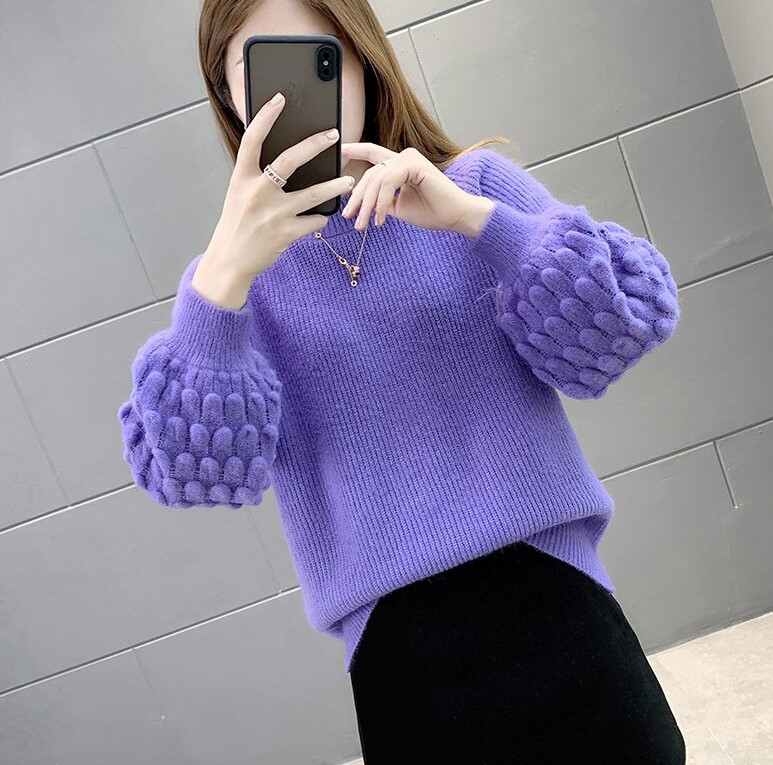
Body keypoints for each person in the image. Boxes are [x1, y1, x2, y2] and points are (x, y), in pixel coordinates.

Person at [117, 0, 687, 762]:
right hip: (398, 657)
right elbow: (187, 469)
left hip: (556, 600)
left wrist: (474, 222)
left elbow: (630, 317)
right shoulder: (232, 287)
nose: (293, 96)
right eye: (261, 71)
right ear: (229, 98)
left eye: (316, 60)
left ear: (360, 59)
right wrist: (220, 280)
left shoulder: (473, 187)